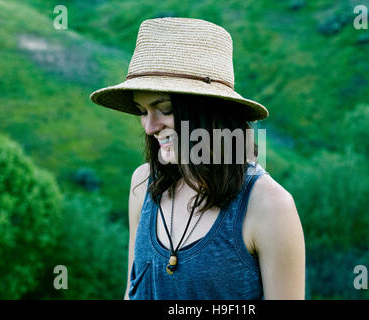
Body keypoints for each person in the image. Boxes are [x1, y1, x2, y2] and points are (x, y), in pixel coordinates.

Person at [90, 17, 305, 300]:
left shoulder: (269, 206)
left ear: (209, 112)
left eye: (164, 109)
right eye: (142, 111)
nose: (150, 127)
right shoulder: (143, 184)